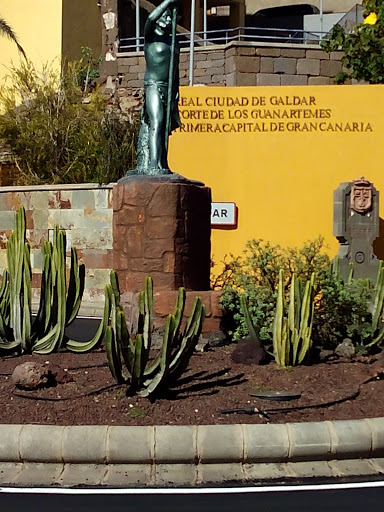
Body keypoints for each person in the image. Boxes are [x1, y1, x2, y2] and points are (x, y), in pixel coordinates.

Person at [133, 0, 181, 175]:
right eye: (165, 16)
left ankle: (163, 163)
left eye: (170, 17)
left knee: (166, 129)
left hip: (169, 88)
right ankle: (153, 165)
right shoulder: (150, 38)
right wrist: (169, 1)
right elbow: (151, 18)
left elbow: (175, 69)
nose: (168, 20)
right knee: (157, 122)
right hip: (153, 85)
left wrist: (176, 92)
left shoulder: (173, 41)